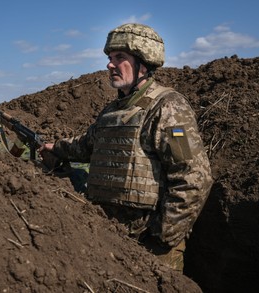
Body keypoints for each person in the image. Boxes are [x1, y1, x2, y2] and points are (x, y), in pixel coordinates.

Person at [40, 23, 213, 271]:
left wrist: (162, 237)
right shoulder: (113, 111)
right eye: (110, 58)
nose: (110, 64)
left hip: (150, 245)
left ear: (143, 64)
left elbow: (194, 178)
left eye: (119, 57)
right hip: (111, 237)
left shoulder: (167, 107)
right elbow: (86, 146)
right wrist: (55, 147)